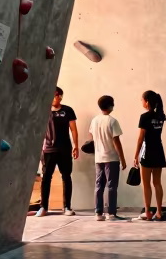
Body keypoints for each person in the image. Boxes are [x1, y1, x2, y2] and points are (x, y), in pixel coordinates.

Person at [36, 87, 78, 217]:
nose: (56, 98)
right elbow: (38, 129)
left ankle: (67, 207)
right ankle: (43, 207)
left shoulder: (68, 110)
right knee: (46, 177)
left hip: (65, 148)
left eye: (57, 95)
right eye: (53, 95)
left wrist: (76, 146)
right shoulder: (44, 110)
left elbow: (73, 129)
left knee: (66, 176)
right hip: (48, 149)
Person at [88, 95, 128, 221]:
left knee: (99, 185)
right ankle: (111, 214)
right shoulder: (112, 121)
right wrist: (123, 159)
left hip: (98, 158)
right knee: (111, 186)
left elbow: (91, 137)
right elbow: (116, 141)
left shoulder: (94, 120)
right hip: (111, 158)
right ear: (110, 106)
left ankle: (98, 213)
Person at [134, 90, 166, 221]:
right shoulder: (161, 116)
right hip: (159, 151)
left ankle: (147, 212)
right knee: (157, 183)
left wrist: (136, 155)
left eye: (141, 100)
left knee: (146, 184)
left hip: (147, 152)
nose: (141, 102)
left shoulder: (145, 117)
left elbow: (141, 139)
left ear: (146, 102)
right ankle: (159, 212)